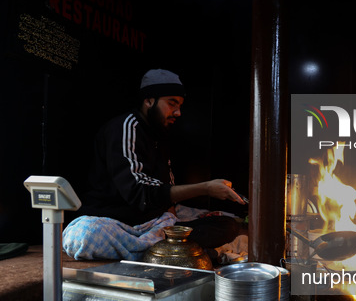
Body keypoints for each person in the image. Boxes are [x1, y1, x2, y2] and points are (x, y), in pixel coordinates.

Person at [63, 68, 244, 261]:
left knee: (228, 224)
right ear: (149, 101)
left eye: (180, 105)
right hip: (118, 222)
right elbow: (140, 193)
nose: (178, 112)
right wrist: (206, 188)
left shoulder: (159, 135)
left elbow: (167, 190)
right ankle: (170, 251)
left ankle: (162, 251)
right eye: (172, 103)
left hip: (155, 224)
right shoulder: (126, 127)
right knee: (84, 235)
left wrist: (170, 211)